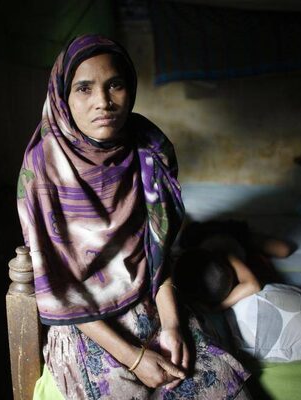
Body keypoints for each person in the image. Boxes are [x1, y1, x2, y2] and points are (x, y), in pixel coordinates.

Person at [17, 34, 250, 399]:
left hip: (149, 298)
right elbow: (61, 290)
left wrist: (172, 326)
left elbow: (158, 252)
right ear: (63, 96)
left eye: (115, 85)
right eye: (84, 88)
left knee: (215, 383)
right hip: (85, 321)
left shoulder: (148, 148)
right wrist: (134, 358)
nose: (103, 102)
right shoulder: (43, 168)